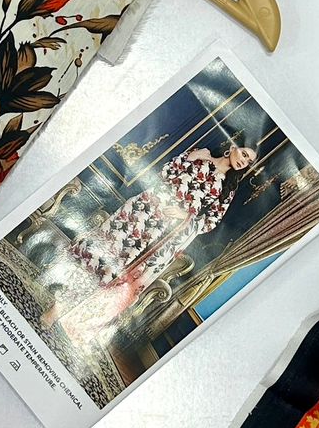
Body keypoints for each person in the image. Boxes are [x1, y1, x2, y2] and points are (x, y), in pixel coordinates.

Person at [37, 141, 261, 345]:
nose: (244, 161)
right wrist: (192, 157)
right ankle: (59, 305)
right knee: (99, 256)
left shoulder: (227, 188)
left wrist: (186, 216)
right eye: (244, 154)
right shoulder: (200, 154)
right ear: (233, 147)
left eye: (249, 161)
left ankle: (74, 319)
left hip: (163, 235)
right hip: (142, 211)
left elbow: (210, 222)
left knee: (116, 275)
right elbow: (166, 172)